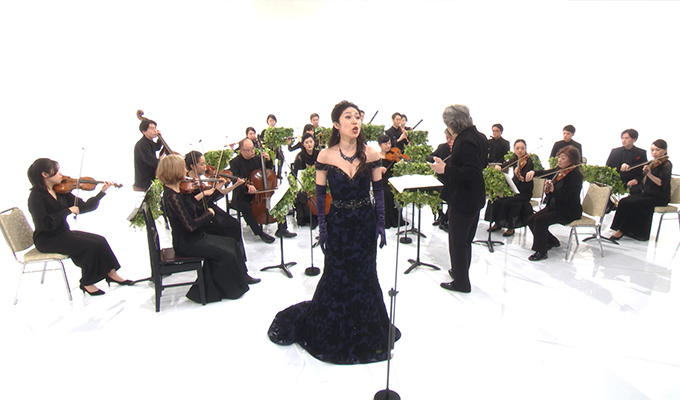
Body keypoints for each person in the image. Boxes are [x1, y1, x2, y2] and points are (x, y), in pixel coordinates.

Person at [268, 100, 397, 364]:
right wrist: (324, 228)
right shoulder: (325, 156)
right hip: (338, 223)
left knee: (365, 275)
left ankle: (365, 331)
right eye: (348, 117)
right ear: (336, 124)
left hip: (364, 223)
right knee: (336, 275)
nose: (355, 121)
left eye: (357, 116)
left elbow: (378, 191)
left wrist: (381, 222)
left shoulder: (372, 154)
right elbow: (319, 194)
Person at [27, 158, 131, 296]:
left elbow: (84, 206)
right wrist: (67, 211)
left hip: (62, 233)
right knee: (90, 246)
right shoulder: (36, 197)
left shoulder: (60, 191)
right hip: (46, 239)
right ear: (45, 175)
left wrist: (101, 193)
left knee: (100, 240)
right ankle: (87, 282)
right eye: (56, 171)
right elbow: (44, 224)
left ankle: (111, 273)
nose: (60, 174)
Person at [157, 155, 252, 303]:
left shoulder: (178, 190)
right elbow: (190, 225)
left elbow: (192, 207)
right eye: (182, 167)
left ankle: (239, 280)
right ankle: (225, 290)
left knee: (231, 243)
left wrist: (208, 193)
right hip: (187, 242)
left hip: (196, 236)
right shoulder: (172, 197)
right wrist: (209, 214)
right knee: (226, 253)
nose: (185, 170)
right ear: (174, 170)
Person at [430, 105, 487, 293]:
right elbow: (479, 165)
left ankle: (461, 282)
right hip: (474, 197)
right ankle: (459, 272)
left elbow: (472, 172)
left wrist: (445, 169)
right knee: (465, 241)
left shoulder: (465, 141)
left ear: (453, 124)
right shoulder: (479, 136)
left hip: (463, 199)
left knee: (458, 243)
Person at [184, 151, 256, 279]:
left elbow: (215, 196)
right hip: (202, 215)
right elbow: (197, 204)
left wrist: (234, 185)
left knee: (234, 224)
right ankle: (236, 268)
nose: (205, 167)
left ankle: (240, 266)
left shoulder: (201, 179)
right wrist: (212, 191)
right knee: (230, 227)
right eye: (202, 164)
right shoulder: (187, 183)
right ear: (192, 166)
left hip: (209, 209)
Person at [229, 138, 297, 242]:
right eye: (249, 150)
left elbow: (268, 171)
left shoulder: (257, 159)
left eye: (253, 148)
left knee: (278, 200)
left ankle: (282, 229)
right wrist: (247, 186)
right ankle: (259, 232)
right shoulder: (235, 162)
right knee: (245, 206)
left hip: (260, 192)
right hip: (243, 194)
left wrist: (268, 160)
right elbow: (235, 179)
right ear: (241, 151)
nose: (252, 151)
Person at [526, 145, 583, 261]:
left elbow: (569, 198)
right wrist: (533, 173)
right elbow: (546, 173)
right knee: (531, 219)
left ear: (572, 160)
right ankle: (551, 241)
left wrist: (554, 191)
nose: (559, 160)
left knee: (540, 220)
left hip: (568, 210)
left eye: (563, 158)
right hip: (556, 205)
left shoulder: (575, 176)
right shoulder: (559, 170)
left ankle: (541, 251)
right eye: (559, 157)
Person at [609, 139, 672, 241]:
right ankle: (619, 228)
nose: (654, 153)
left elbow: (660, 183)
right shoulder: (652, 162)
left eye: (657, 150)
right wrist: (637, 179)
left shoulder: (667, 164)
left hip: (660, 196)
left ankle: (622, 231)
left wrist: (649, 174)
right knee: (624, 201)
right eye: (652, 150)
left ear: (665, 151)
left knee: (635, 203)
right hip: (648, 193)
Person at [486, 139, 536, 236]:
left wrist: (519, 174)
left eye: (522, 148)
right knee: (495, 199)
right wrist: (499, 167)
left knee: (508, 202)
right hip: (514, 189)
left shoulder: (529, 161)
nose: (520, 150)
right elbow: (505, 164)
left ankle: (510, 227)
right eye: (517, 148)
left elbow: (525, 177)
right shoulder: (515, 159)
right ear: (514, 149)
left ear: (525, 149)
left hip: (524, 191)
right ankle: (497, 223)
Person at [427, 129, 455, 231]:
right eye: (447, 138)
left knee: (453, 196)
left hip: (452, 180)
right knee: (430, 194)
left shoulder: (459, 149)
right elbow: (428, 156)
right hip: (441, 179)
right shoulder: (442, 147)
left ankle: (445, 219)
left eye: (451, 138)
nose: (448, 141)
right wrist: (434, 158)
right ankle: (440, 215)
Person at [605, 129, 647, 195]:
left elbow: (642, 170)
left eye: (626, 138)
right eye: (622, 138)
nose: (623, 140)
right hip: (616, 181)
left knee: (637, 191)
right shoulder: (615, 151)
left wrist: (637, 180)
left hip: (632, 181)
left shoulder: (641, 153)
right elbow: (608, 167)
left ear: (634, 139)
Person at [291, 132, 319, 227]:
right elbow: (296, 173)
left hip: (318, 181)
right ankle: (309, 218)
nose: (309, 144)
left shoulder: (319, 154)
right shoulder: (300, 157)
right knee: (301, 194)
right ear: (303, 144)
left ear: (314, 142)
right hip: (305, 183)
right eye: (306, 142)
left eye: (311, 142)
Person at [377, 134, 405, 228]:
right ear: (379, 145)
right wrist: (379, 169)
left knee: (398, 191)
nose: (388, 146)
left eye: (389, 143)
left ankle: (397, 218)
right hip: (382, 181)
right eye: (385, 144)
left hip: (393, 180)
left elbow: (399, 168)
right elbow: (371, 169)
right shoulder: (376, 157)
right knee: (387, 192)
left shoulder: (393, 155)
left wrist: (401, 163)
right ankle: (387, 220)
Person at [133, 115, 163, 191]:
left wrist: (160, 138)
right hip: (145, 179)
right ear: (144, 132)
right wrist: (166, 163)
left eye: (155, 128)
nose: (155, 130)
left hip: (151, 175)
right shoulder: (142, 145)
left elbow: (156, 147)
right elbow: (152, 161)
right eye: (152, 129)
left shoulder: (149, 141)